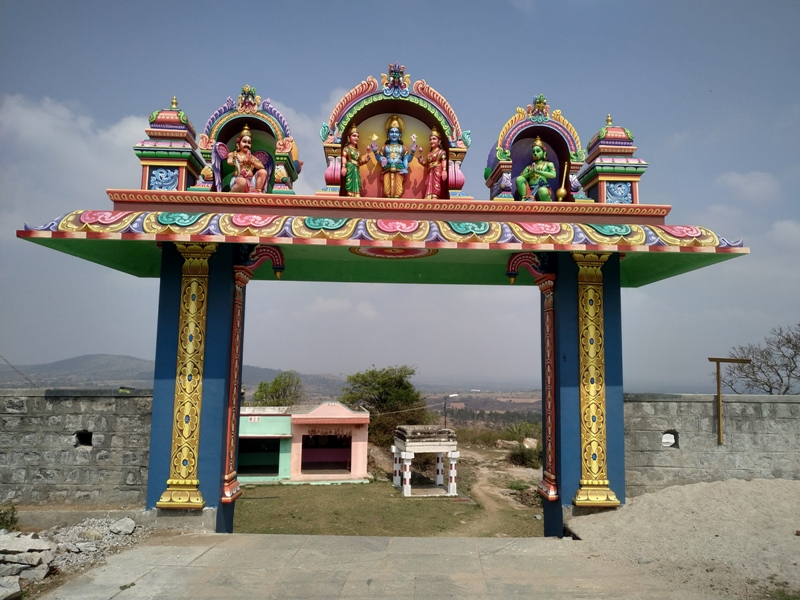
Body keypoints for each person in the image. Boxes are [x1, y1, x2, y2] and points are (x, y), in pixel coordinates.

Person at [370, 114, 416, 198]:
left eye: (396, 132)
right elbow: (380, 159)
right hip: (387, 170)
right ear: (388, 134)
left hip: (399, 170)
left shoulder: (403, 148)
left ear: (400, 135)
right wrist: (375, 152)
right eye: (391, 132)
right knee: (387, 192)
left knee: (398, 192)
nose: (394, 134)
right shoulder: (384, 147)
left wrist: (412, 152)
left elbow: (407, 159)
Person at [228, 125, 268, 193]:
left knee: (263, 172)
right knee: (242, 181)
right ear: (238, 144)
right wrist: (240, 161)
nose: (247, 144)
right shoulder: (234, 154)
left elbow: (262, 166)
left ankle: (258, 191)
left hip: (251, 182)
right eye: (244, 141)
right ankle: (231, 193)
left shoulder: (252, 157)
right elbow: (229, 161)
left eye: (249, 142)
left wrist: (251, 162)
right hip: (238, 180)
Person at [515, 137, 556, 201]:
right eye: (533, 152)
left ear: (544, 153)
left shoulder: (548, 164)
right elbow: (520, 178)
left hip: (543, 188)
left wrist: (538, 172)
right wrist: (530, 173)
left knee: (542, 191)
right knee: (519, 179)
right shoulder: (529, 167)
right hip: (530, 190)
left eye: (538, 151)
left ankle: (547, 204)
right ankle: (524, 198)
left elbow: (553, 175)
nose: (535, 153)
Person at [416, 127, 447, 199]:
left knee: (436, 184)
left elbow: (444, 160)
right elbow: (427, 165)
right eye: (430, 139)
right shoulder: (429, 153)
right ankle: (429, 196)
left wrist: (444, 170)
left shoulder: (441, 152)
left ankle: (435, 196)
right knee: (428, 184)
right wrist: (421, 162)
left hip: (437, 171)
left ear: (439, 141)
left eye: (434, 139)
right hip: (430, 173)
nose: (431, 141)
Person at [341, 125, 371, 197]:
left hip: (356, 169)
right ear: (349, 137)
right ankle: (349, 194)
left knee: (357, 182)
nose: (356, 138)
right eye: (354, 136)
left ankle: (356, 194)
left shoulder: (358, 151)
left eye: (357, 136)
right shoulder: (347, 148)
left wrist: (365, 161)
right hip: (350, 168)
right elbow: (344, 157)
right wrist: (343, 167)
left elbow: (359, 162)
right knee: (349, 182)